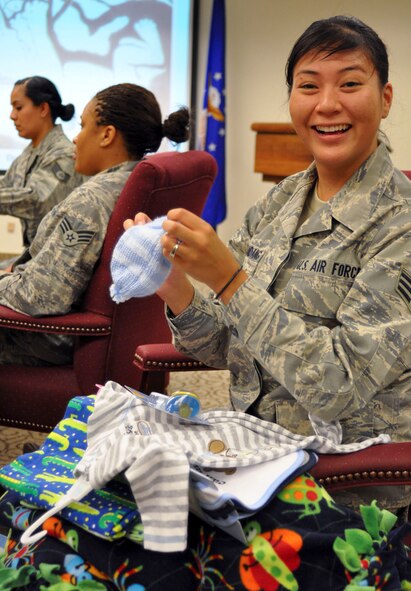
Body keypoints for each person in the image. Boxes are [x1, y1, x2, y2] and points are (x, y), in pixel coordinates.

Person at [128, 16, 411, 517]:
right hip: (255, 457)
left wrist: (231, 280)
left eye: (349, 83)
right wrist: (174, 285)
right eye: (308, 86)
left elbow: (337, 386)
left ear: (385, 98)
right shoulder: (282, 200)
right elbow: (225, 344)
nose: (327, 105)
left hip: (344, 488)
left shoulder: (401, 225)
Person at [0, 83, 189, 367]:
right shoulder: (136, 182)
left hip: (46, 340)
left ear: (107, 135)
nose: (75, 139)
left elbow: (42, 297)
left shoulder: (92, 199)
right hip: (88, 335)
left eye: (83, 126)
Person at [0, 76, 84, 261]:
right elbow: (5, 185)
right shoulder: (28, 153)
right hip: (33, 254)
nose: (12, 115)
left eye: (19, 107)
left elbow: (37, 200)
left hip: (58, 259)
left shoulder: (64, 153)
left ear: (43, 108)